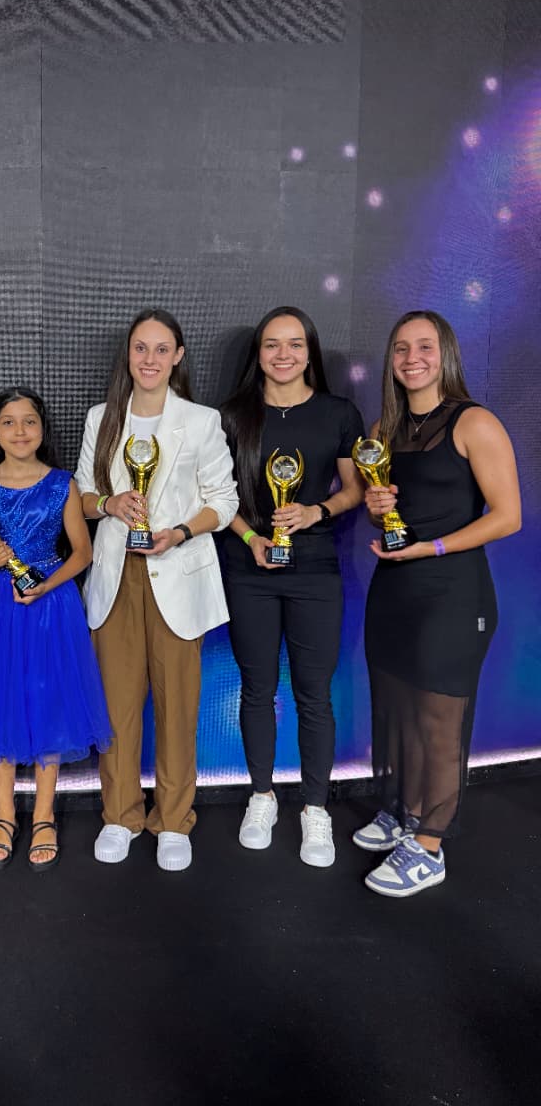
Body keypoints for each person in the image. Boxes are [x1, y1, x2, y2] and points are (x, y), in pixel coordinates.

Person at [356, 310, 520, 897]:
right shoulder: (386, 427)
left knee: (439, 722)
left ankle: (430, 845)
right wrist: (379, 507)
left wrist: (435, 546)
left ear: (445, 353)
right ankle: (408, 812)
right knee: (401, 711)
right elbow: (388, 509)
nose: (411, 358)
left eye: (424, 346)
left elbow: (509, 516)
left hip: (453, 593)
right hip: (396, 588)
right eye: (400, 348)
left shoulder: (474, 422)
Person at [76, 309, 239, 872]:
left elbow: (225, 499)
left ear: (178, 356)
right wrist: (110, 505)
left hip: (178, 574)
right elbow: (81, 495)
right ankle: (120, 815)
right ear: (129, 354)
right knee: (117, 707)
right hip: (115, 576)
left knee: (178, 709)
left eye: (160, 348)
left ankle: (174, 821)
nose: (149, 359)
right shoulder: (102, 417)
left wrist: (179, 532)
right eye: (140, 348)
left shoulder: (200, 420)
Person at [0, 387, 111, 870]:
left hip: (50, 605)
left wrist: (42, 585)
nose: (20, 431)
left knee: (48, 699)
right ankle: (6, 815)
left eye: (29, 421)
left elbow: (83, 552)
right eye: (9, 422)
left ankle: (45, 817)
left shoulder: (62, 484)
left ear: (42, 429)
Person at [220, 307, 364, 867]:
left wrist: (315, 512)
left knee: (314, 695)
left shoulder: (338, 413)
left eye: (295, 344)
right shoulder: (232, 416)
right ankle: (262, 797)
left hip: (316, 571)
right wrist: (251, 536)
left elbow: (354, 490)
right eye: (272, 344)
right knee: (256, 689)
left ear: (311, 352)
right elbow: (216, 494)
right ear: (257, 353)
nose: (284, 355)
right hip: (248, 569)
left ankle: (316, 809)